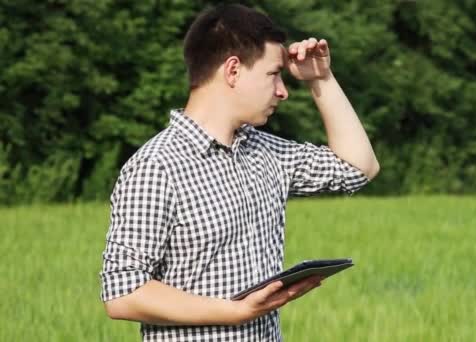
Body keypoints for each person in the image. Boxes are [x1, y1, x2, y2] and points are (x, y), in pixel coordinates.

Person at [99, 3, 380, 341]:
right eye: (273, 74)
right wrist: (235, 312)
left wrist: (321, 78)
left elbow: (358, 168)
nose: (283, 90)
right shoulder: (157, 167)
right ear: (232, 70)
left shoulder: (266, 152)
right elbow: (123, 292)